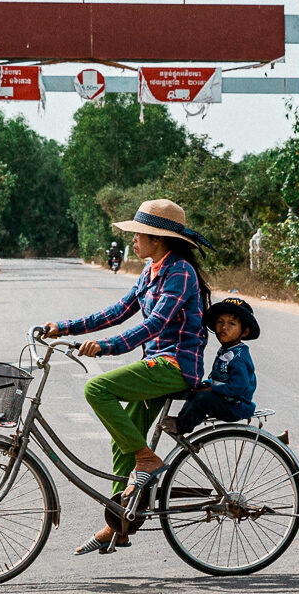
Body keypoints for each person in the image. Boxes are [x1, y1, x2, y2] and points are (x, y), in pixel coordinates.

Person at [44, 199, 213, 555]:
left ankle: (147, 461)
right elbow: (118, 311)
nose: (133, 240)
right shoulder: (151, 270)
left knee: (97, 387)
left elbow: (154, 325)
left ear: (158, 239)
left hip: (175, 367)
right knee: (124, 442)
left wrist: (105, 348)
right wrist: (64, 327)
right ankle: (118, 524)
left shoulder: (180, 272)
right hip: (156, 365)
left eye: (138, 234)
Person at [160, 296, 258, 436]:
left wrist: (211, 388)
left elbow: (237, 387)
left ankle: (181, 426)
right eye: (220, 322)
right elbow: (218, 378)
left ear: (245, 331)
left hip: (236, 406)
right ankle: (182, 420)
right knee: (194, 391)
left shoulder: (239, 357)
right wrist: (204, 384)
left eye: (232, 324)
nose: (224, 327)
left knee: (202, 398)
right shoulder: (226, 350)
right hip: (225, 399)